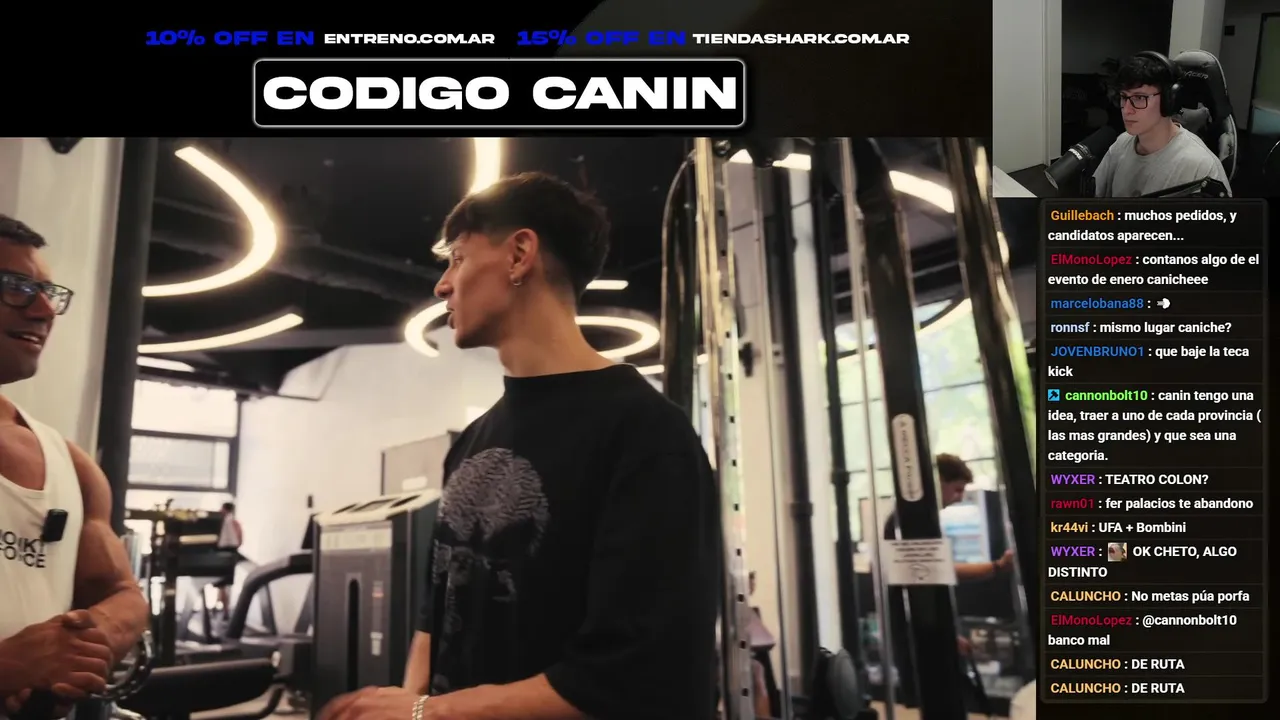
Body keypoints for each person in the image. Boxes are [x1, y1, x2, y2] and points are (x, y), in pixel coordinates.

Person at [318, 173, 721, 720]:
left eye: (457, 259)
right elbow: (436, 614)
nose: (442, 286)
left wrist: (426, 714)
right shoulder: (472, 443)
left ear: (519, 255)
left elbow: (629, 678)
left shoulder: (647, 436)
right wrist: (412, 704)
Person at [0, 215, 150, 714]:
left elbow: (122, 594)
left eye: (48, 292)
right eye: (16, 287)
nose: (44, 310)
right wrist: (9, 667)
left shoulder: (70, 464)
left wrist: (85, 641)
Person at [881, 453, 1014, 708]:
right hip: (918, 634)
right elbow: (932, 576)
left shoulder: (915, 519)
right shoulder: (909, 521)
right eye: (957, 489)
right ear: (938, 481)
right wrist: (996, 567)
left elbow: (934, 575)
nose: (959, 498)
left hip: (922, 630)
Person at [1093, 52, 1232, 197]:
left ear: (1169, 100)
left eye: (1139, 98)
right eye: (1124, 97)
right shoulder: (1121, 145)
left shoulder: (1201, 166)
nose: (1127, 110)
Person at [214, 502, 243, 615]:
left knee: (222, 583)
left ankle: (224, 609)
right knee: (223, 583)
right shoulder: (235, 523)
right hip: (230, 553)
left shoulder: (226, 523)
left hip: (224, 553)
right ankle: (221, 607)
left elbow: (238, 540)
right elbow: (239, 541)